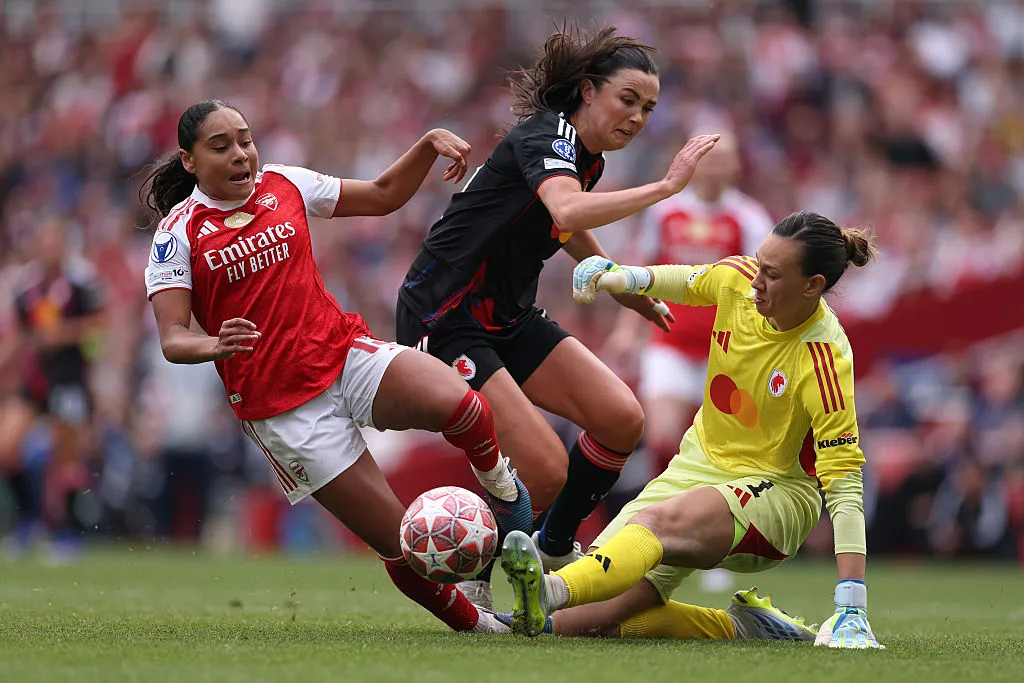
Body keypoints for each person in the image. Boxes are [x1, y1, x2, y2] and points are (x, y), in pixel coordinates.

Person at [139, 98, 533, 634]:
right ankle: (484, 627)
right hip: (284, 412)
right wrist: (213, 345)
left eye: (245, 140)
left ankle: (503, 492)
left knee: (462, 403)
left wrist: (425, 146)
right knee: (404, 546)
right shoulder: (177, 235)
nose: (240, 154)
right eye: (221, 146)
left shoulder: (285, 183)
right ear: (189, 162)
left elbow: (384, 196)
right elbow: (172, 338)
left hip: (343, 355)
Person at [395, 23, 718, 609]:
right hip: (444, 318)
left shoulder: (583, 157)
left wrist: (615, 282)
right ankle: (474, 588)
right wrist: (668, 186)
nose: (638, 117)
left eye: (649, 107)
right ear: (588, 91)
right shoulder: (547, 134)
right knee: (543, 471)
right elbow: (565, 205)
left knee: (621, 419)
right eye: (628, 100)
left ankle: (552, 548)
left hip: (505, 316)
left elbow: (562, 223)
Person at [500, 211, 886, 649]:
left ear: (812, 286)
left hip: (773, 492)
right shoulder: (740, 280)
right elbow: (688, 280)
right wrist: (622, 276)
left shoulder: (824, 357)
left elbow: (844, 482)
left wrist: (851, 604)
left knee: (655, 524)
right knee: (587, 618)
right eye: (759, 264)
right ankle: (741, 627)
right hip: (698, 465)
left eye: (773, 275)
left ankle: (548, 591)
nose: (755, 281)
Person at [603, 131, 773, 592]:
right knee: (661, 437)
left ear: (738, 166)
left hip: (728, 354)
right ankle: (661, 536)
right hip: (670, 344)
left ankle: (708, 541)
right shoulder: (666, 214)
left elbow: (764, 286)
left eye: (728, 159)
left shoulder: (750, 218)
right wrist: (626, 330)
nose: (718, 166)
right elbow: (645, 270)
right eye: (712, 158)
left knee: (723, 453)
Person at [0, 219, 104, 562]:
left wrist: (65, 333)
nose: (49, 248)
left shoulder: (81, 279)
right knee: (6, 448)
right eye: (43, 241)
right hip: (35, 381)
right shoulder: (26, 283)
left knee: (66, 461)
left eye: (55, 241)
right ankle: (27, 522)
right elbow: (18, 333)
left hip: (69, 380)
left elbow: (100, 324)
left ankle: (68, 534)